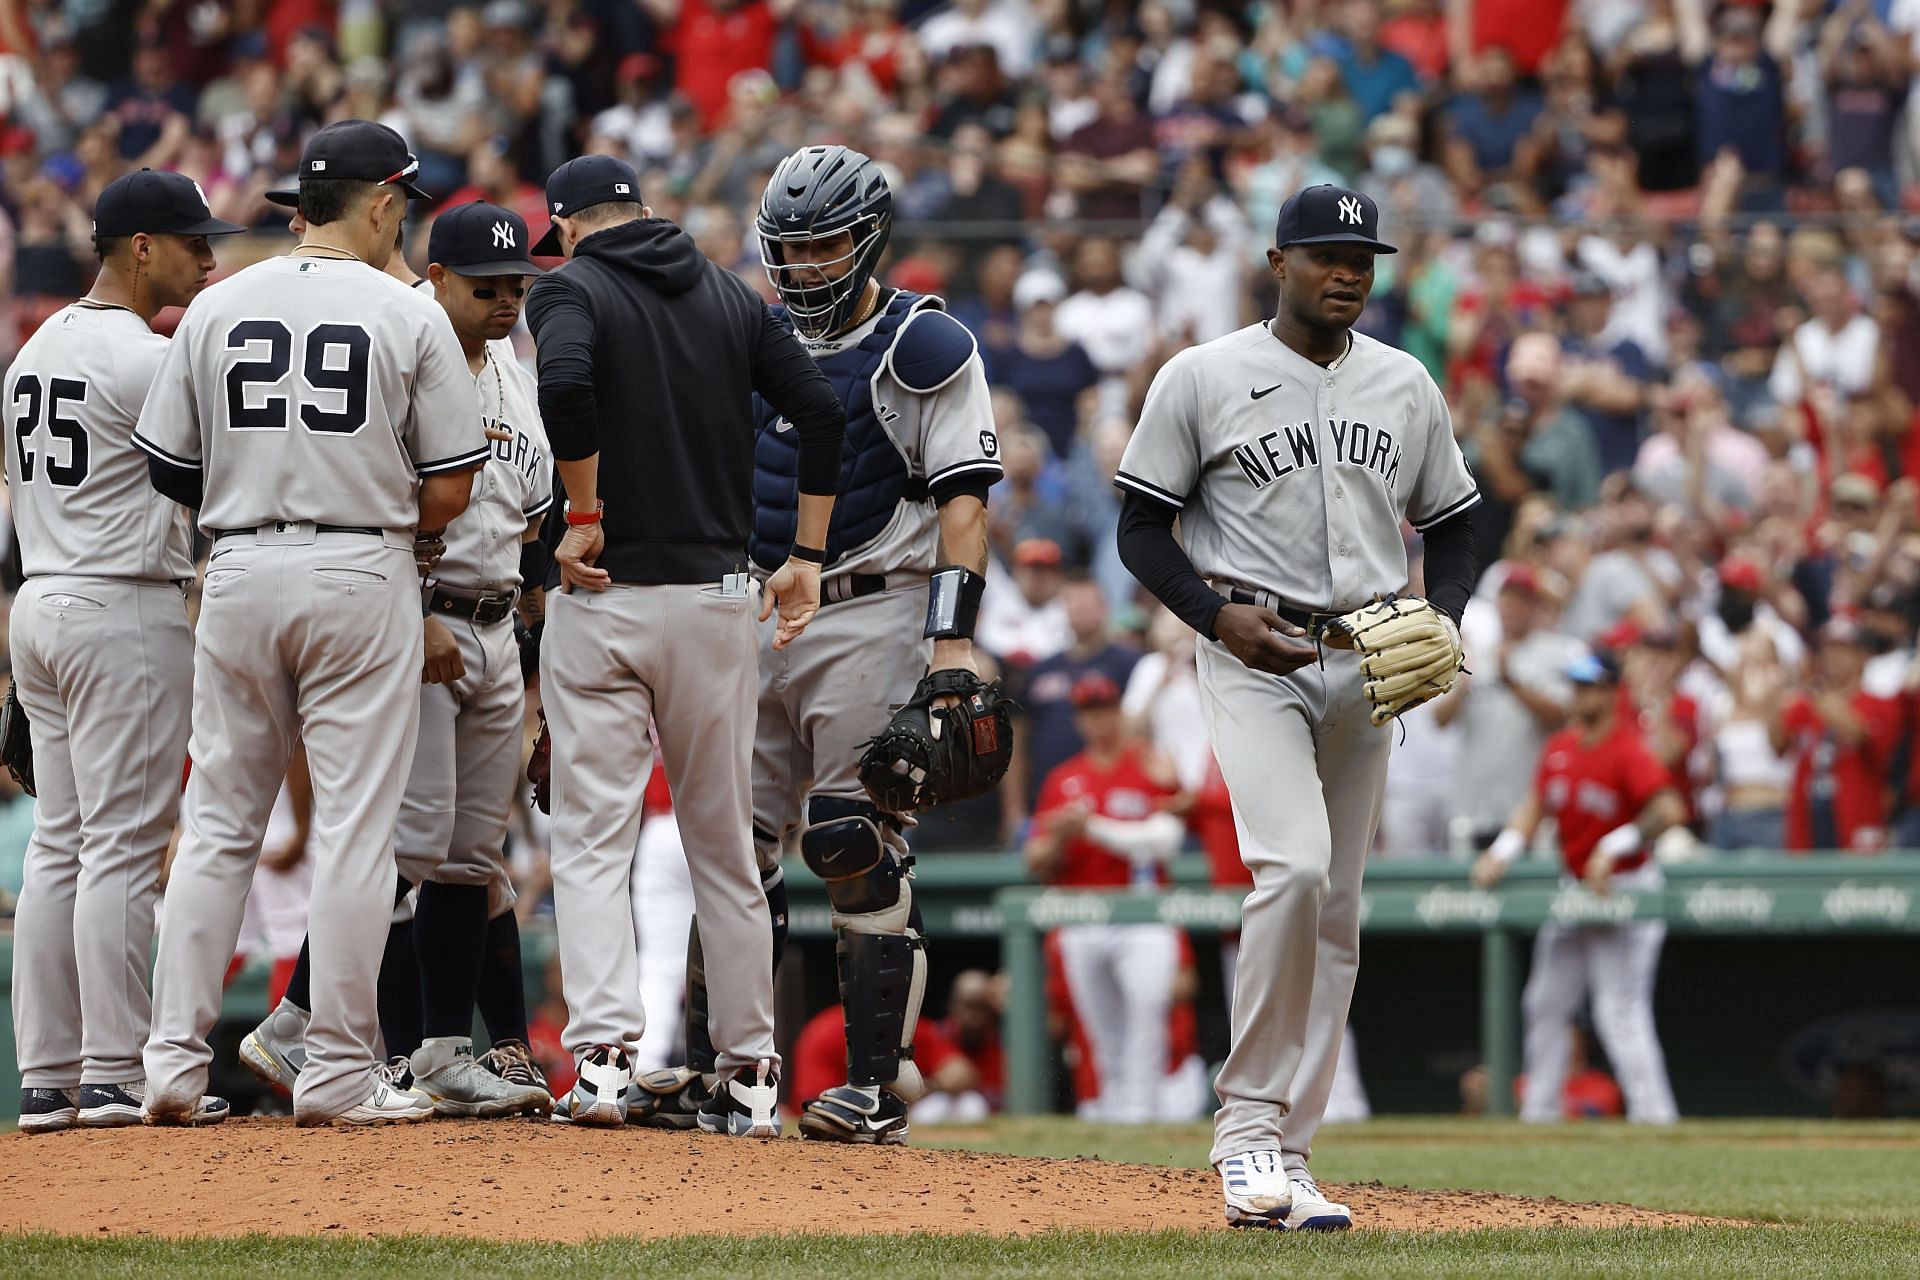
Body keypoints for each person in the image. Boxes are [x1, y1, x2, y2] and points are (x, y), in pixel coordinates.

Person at [1113, 184, 1479, 1229]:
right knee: (1295, 866)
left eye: (1363, 255)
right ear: (1278, 261)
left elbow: (1455, 522)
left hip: (1366, 656)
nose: (1349, 270)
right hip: (1251, 650)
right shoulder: (1204, 374)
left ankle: (1292, 1150)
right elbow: (1141, 527)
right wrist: (1212, 616)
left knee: (1338, 910)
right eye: (1326, 252)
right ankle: (1242, 1135)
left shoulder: (1405, 383)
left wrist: (1444, 616)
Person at [628, 145, 999, 1146]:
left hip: (874, 598)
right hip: (748, 603)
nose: (805, 265)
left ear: (871, 235)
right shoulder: (742, 331)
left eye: (825, 243)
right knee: (727, 849)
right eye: (789, 246)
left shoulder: (925, 342)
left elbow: (964, 497)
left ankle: (873, 1089)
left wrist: (952, 642)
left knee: (849, 836)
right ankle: (728, 1075)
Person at [136, 120, 489, 1126]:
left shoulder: (220, 301)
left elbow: (168, 463)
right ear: (381, 203)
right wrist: (369, 506)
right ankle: (334, 1071)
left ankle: (169, 1065)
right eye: (403, 208)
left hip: (239, 563)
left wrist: (258, 483)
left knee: (216, 824)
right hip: (358, 562)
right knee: (354, 830)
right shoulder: (404, 309)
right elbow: (454, 483)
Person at [523, 153, 845, 1136]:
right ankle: (751, 1074)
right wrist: (806, 554)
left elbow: (569, 378)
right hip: (719, 597)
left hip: (609, 593)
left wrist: (582, 507)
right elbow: (823, 411)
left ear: (571, 225)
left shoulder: (571, 285)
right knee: (724, 847)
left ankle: (608, 1063)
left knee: (591, 839)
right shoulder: (729, 293)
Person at [236, 204, 550, 1107]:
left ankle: (443, 1053)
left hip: (493, 624)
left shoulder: (517, 373)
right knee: (406, 846)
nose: (503, 302)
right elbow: (381, 503)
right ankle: (295, 1026)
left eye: (515, 287)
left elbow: (528, 517)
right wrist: (415, 614)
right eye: (484, 287)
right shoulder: (401, 344)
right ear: (436, 277)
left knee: (466, 858)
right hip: (417, 620)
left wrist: (527, 639)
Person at [6, 169, 244, 1134]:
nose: (209, 255)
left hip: (42, 599)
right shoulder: (143, 358)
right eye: (191, 241)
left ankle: (48, 1078)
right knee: (124, 846)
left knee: (59, 847)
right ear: (139, 247)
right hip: (122, 602)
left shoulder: (33, 347)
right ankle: (110, 1071)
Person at [1472, 652, 1684, 1125]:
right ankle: (1540, 1114)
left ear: (1611, 691)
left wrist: (1616, 844)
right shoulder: (1561, 746)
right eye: (1576, 685)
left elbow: (1669, 809)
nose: (1579, 693)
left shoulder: (1628, 746)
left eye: (1589, 686)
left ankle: (1655, 1119)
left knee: (1619, 1011)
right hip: (1578, 887)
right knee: (1545, 1001)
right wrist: (1503, 851)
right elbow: (1535, 806)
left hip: (1627, 886)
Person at [1024, 673, 1184, 1125]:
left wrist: (1092, 827)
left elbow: (1171, 835)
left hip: (1143, 914)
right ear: (1079, 719)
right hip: (1084, 914)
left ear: (1119, 711)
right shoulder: (1064, 779)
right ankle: (1116, 1114)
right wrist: (1060, 836)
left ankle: (1143, 1112)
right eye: (1089, 713)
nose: (1099, 721)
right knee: (1099, 1027)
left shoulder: (1149, 764)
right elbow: (1033, 858)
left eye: (1105, 710)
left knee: (1147, 1013)